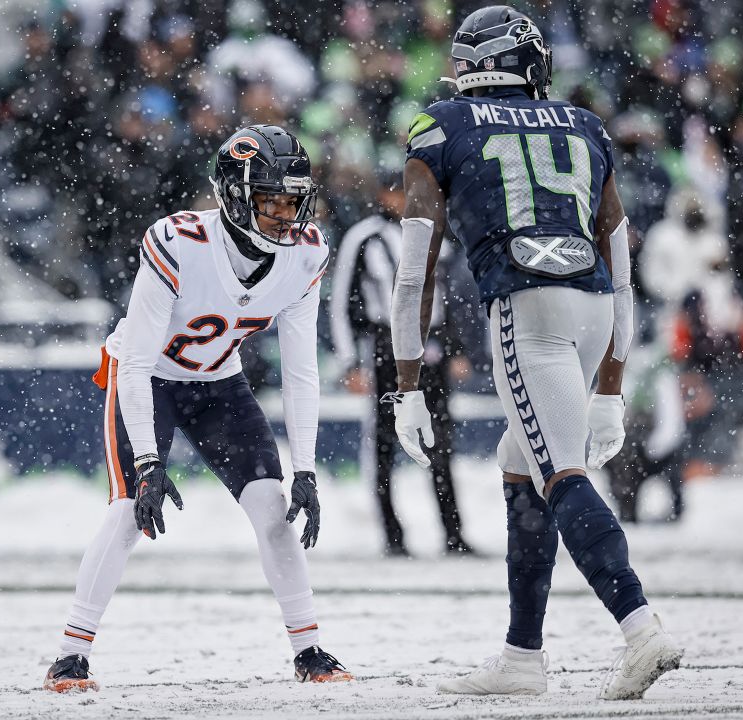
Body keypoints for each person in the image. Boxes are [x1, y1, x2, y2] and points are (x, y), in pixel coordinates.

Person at [385, 7, 682, 699]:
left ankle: (641, 628)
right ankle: (523, 657)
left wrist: (405, 385)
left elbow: (413, 273)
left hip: (528, 303)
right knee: (521, 461)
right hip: (594, 307)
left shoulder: (443, 125)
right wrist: (610, 383)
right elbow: (621, 263)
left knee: (560, 475)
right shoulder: (584, 124)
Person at [44, 125, 352, 692]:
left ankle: (309, 650)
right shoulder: (179, 241)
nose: (287, 215)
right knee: (126, 510)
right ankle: (70, 654)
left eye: (293, 200)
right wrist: (147, 463)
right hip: (148, 377)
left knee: (273, 506)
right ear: (234, 195)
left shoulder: (306, 256)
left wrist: (306, 466)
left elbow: (300, 369)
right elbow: (135, 361)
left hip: (218, 382)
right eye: (271, 201)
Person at [329, 170, 475, 556]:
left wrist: (455, 348)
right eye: (395, 193)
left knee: (440, 443)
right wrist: (350, 363)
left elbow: (445, 298)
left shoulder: (433, 234)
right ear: (381, 194)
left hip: (430, 347)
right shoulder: (364, 237)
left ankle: (453, 533)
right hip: (385, 347)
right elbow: (343, 303)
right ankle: (392, 535)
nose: (400, 200)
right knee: (384, 442)